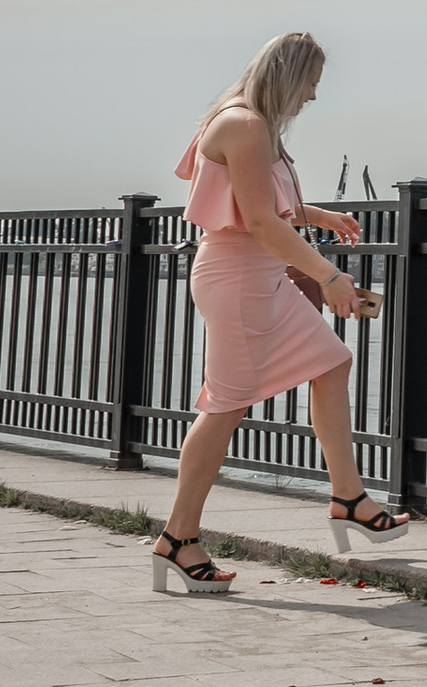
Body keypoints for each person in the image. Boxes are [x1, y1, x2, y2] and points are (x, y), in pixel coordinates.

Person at [156, 32, 404, 592]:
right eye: (312, 83)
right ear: (290, 76)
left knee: (331, 362)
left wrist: (318, 215)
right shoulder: (246, 125)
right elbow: (261, 222)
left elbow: (257, 203)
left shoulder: (245, 120)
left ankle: (349, 497)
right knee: (223, 407)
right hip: (240, 281)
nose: (313, 96)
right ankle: (178, 537)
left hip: (258, 276)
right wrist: (331, 276)